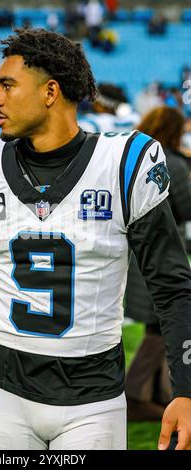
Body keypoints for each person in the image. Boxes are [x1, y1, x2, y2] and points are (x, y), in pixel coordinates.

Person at [0, 28, 191, 450]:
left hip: (94, 396)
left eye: (7, 85)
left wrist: (187, 388)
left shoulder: (122, 165)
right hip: (1, 392)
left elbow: (173, 287)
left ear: (50, 92)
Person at [125, 106, 191, 421]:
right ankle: (135, 394)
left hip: (134, 255)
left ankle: (158, 393)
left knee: (158, 326)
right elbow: (187, 205)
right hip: (161, 254)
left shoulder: (137, 160)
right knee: (161, 328)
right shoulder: (173, 163)